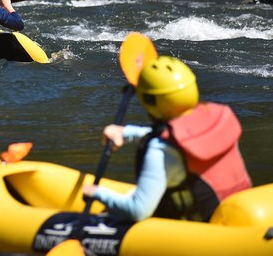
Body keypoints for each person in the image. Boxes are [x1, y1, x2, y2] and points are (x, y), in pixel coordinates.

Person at [83, 55, 252, 223]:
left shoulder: (160, 151)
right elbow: (181, 140)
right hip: (237, 211)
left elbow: (138, 211)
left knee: (60, 221)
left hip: (201, 229)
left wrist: (96, 192)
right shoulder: (218, 117)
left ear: (149, 101)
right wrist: (126, 132)